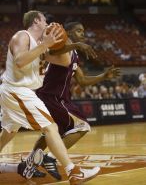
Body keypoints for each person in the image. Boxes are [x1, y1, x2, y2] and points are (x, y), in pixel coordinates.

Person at [0, 11, 100, 184]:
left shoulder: (40, 44)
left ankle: (25, 167)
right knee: (50, 128)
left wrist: (70, 45)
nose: (47, 23)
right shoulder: (22, 36)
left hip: (22, 92)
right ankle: (73, 171)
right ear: (37, 21)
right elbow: (19, 61)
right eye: (45, 20)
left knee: (8, 132)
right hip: (18, 90)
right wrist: (45, 45)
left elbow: (64, 62)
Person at [23, 22, 120, 176]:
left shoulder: (73, 53)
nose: (83, 34)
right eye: (79, 31)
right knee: (82, 126)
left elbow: (82, 80)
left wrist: (104, 76)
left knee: (50, 133)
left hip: (52, 96)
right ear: (67, 32)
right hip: (52, 96)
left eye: (83, 31)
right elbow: (55, 51)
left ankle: (28, 164)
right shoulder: (61, 45)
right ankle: (50, 158)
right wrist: (79, 44)